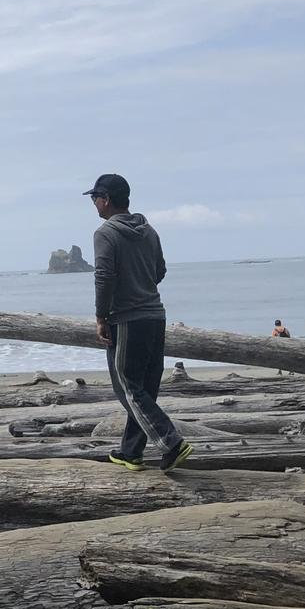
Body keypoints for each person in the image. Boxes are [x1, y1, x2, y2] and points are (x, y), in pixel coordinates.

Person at [85, 174, 191, 472]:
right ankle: (131, 451)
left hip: (127, 320)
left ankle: (171, 442)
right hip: (155, 316)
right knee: (145, 387)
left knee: (128, 387)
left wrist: (101, 316)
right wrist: (141, 282)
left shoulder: (105, 233)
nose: (93, 204)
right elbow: (160, 270)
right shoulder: (149, 230)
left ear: (105, 199)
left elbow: (104, 276)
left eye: (95, 198)